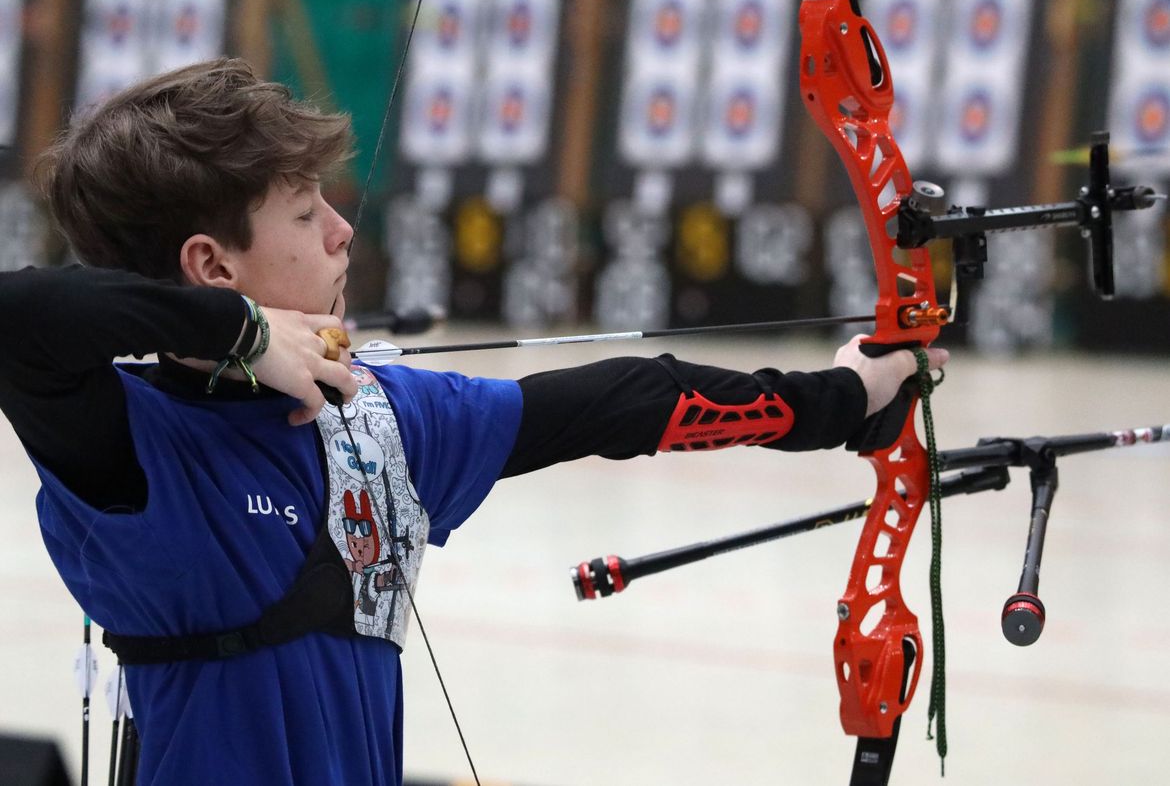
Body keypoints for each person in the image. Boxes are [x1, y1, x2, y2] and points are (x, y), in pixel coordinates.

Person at [0, 58, 947, 786]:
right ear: (212, 266)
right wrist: (242, 335)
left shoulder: (377, 415)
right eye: (303, 214)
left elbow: (620, 401)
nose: (343, 231)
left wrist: (842, 401)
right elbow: (22, 314)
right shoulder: (126, 446)